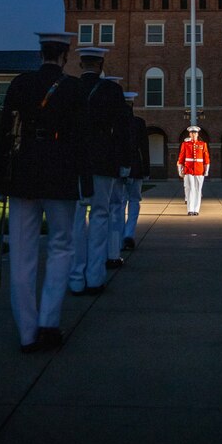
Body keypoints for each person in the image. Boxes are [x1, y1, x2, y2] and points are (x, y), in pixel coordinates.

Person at [0, 31, 88, 353]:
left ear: (40, 54)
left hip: (22, 173)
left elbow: (5, 132)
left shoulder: (20, 84)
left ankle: (27, 333)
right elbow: (81, 142)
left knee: (22, 254)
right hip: (60, 174)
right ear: (65, 56)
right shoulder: (74, 89)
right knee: (61, 246)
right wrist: (83, 183)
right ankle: (49, 323)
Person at [69, 49, 131, 294]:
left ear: (81, 63)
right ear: (101, 64)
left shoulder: (70, 88)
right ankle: (95, 277)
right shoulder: (112, 91)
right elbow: (122, 131)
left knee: (75, 218)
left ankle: (76, 278)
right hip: (103, 162)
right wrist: (123, 163)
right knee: (100, 216)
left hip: (73, 162)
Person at [121, 92, 150, 251]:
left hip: (119, 169)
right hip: (136, 168)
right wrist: (146, 169)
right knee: (134, 201)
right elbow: (144, 149)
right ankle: (129, 234)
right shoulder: (139, 122)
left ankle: (119, 236)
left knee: (120, 203)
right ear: (132, 105)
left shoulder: (116, 122)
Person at [177, 126, 210, 215]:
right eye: (192, 133)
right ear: (189, 134)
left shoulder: (203, 144)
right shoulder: (185, 144)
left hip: (199, 169)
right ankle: (190, 209)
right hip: (188, 169)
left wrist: (206, 169)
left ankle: (196, 209)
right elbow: (181, 157)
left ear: (197, 134)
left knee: (198, 190)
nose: (193, 134)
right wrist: (180, 169)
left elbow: (206, 158)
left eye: (195, 133)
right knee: (191, 188)